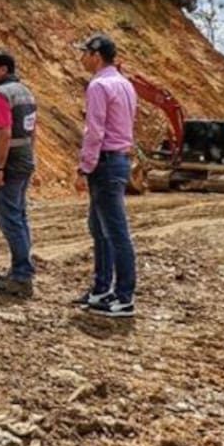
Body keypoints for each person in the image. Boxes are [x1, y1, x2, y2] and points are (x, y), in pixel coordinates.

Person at [73, 32, 138, 318]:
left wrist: (84, 167)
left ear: (96, 56)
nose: (81, 58)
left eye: (84, 53)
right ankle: (102, 289)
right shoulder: (125, 84)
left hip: (105, 163)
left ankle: (124, 297)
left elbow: (95, 131)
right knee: (99, 228)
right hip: (119, 159)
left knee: (115, 232)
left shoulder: (98, 86)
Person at [0, 49, 38, 298]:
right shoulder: (25, 92)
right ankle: (19, 270)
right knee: (19, 217)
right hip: (22, 163)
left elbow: (3, 133)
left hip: (8, 166)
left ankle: (22, 276)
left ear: (3, 70)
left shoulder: (1, 95)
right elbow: (33, 131)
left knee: (10, 220)